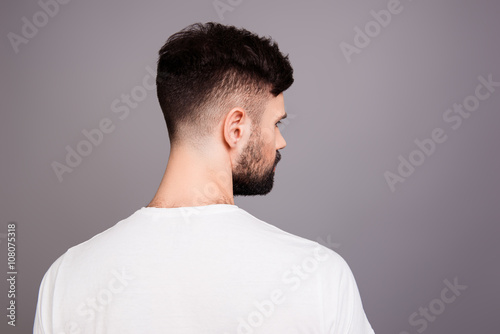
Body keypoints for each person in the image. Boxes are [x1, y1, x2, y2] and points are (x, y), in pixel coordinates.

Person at [34, 22, 375, 333]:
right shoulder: (319, 276)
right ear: (236, 128)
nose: (281, 141)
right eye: (276, 124)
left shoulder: (66, 278)